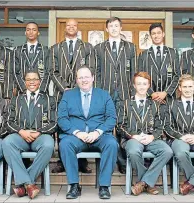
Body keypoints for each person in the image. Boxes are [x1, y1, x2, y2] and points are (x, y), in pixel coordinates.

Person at [58, 66, 118, 199]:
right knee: (65, 144)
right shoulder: (68, 95)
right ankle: (74, 185)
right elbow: (62, 118)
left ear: (92, 78)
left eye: (86, 77)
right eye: (80, 77)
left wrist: (97, 132)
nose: (83, 80)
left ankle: (104, 186)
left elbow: (111, 118)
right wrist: (77, 132)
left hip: (99, 135)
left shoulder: (104, 94)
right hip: (77, 136)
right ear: (76, 80)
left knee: (112, 144)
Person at [2, 70, 57, 199]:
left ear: (39, 81)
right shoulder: (16, 100)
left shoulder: (50, 99)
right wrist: (21, 131)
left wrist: (39, 132)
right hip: (21, 136)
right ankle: (29, 184)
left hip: (40, 136)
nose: (32, 81)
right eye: (28, 79)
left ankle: (24, 183)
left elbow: (54, 123)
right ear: (24, 82)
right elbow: (8, 122)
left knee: (49, 144)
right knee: (7, 142)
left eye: (35, 79)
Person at [49, 18, 94, 173]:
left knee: (81, 122)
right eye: (68, 25)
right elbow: (52, 71)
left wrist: (75, 89)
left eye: (74, 25)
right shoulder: (55, 48)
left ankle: (82, 162)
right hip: (61, 94)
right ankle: (62, 161)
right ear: (65, 28)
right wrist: (65, 88)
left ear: (77, 28)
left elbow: (89, 70)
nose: (71, 27)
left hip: (81, 92)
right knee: (63, 126)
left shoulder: (87, 47)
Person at [118, 72, 173, 195]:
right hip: (132, 139)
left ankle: (142, 183)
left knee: (167, 151)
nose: (142, 87)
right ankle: (147, 183)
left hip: (151, 139)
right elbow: (120, 126)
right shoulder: (125, 103)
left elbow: (160, 127)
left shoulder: (155, 104)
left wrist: (152, 136)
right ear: (134, 86)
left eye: (144, 84)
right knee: (133, 151)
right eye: (139, 84)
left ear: (149, 86)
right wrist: (133, 136)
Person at [94, 16, 137, 174]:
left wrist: (132, 91)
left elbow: (134, 72)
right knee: (105, 127)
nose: (113, 28)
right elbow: (96, 72)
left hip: (125, 92)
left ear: (121, 28)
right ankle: (108, 161)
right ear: (106, 29)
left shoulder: (130, 47)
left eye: (116, 26)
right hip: (105, 92)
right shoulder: (99, 48)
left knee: (121, 127)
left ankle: (122, 161)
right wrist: (99, 91)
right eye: (111, 26)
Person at [138, 23, 180, 104]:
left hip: (169, 99)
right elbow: (140, 77)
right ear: (150, 36)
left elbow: (177, 75)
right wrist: (151, 93)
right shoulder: (143, 55)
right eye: (153, 33)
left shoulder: (173, 53)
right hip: (150, 99)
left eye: (159, 33)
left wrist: (165, 92)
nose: (156, 36)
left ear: (163, 34)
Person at [13, 22, 50, 94]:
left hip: (42, 92)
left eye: (34, 30)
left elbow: (48, 72)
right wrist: (24, 89)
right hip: (22, 92)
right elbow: (15, 72)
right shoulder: (17, 50)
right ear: (25, 32)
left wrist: (41, 89)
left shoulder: (45, 50)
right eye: (28, 30)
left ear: (38, 33)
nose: (31, 32)